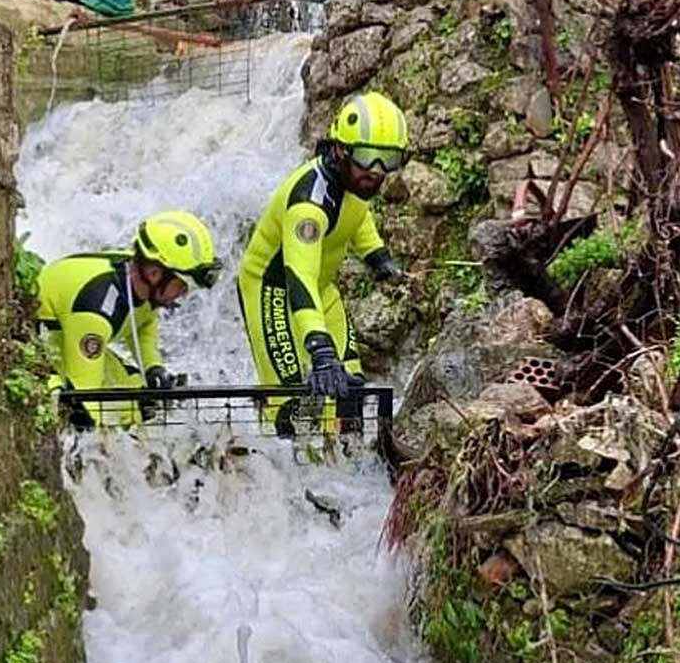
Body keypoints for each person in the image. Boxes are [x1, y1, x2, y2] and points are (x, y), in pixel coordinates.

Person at [237, 91, 410, 436]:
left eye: (388, 160)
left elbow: (356, 217)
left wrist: (376, 255)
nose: (376, 172)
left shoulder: (354, 184)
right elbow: (298, 277)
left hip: (320, 288)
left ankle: (341, 465)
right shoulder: (309, 205)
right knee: (291, 397)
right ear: (340, 150)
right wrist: (319, 349)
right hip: (274, 290)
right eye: (366, 157)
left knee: (350, 385)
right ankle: (278, 467)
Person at [37, 210, 222, 428]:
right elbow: (85, 395)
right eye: (182, 285)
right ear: (154, 273)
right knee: (97, 412)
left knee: (140, 397)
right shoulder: (96, 311)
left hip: (75, 331)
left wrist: (153, 368)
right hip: (45, 340)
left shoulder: (140, 280)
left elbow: (144, 323)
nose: (183, 294)